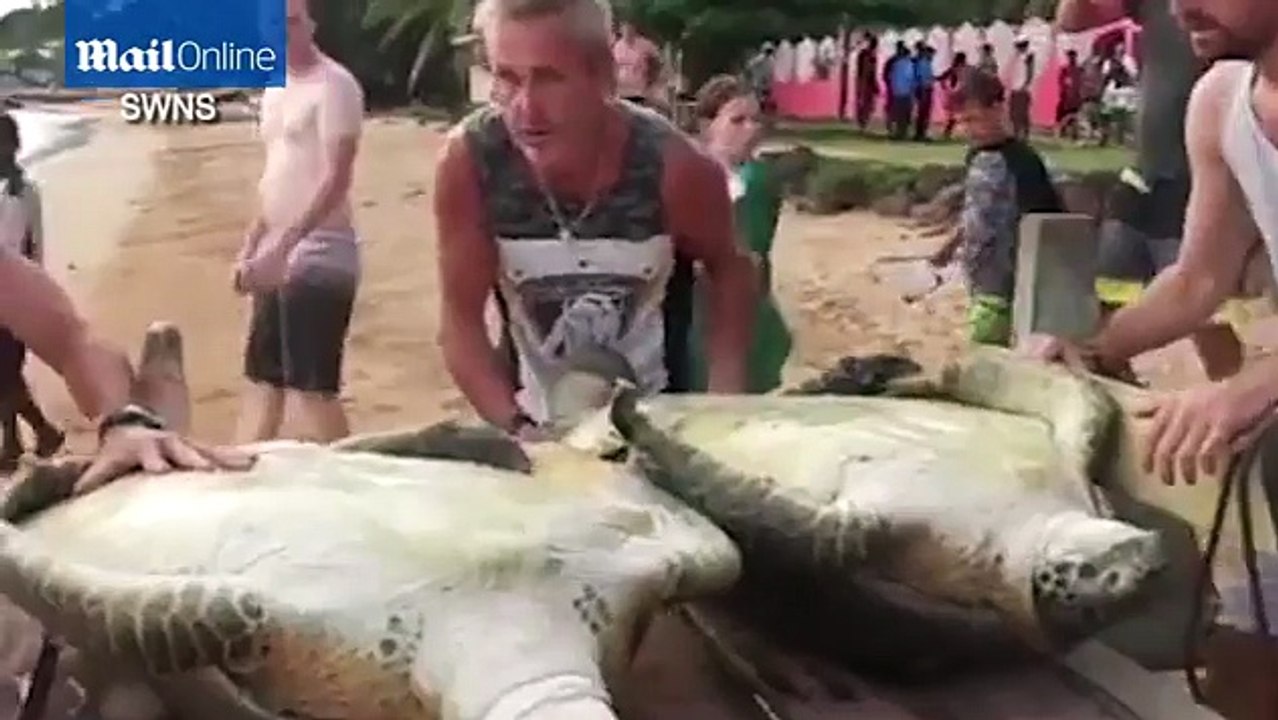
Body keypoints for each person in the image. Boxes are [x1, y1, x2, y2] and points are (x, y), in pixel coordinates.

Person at [436, 0, 757, 436]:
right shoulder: (472, 163)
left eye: (549, 79)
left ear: (603, 76)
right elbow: (460, 320)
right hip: (534, 424)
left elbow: (732, 269)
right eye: (507, 78)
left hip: (656, 423)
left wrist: (724, 399)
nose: (526, 109)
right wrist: (516, 427)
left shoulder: (674, 167)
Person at [1025, 0, 1278, 484]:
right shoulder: (1222, 104)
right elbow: (1197, 281)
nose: (1181, 7)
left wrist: (1254, 387)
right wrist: (1093, 348)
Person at [1056, 0, 1246, 385]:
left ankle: (1232, 390)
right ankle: (1107, 365)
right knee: (1111, 276)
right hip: (1148, 169)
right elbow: (1071, 19)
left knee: (1208, 309)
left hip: (1210, 172)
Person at [232, 0, 365, 444]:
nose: (284, 33)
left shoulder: (334, 86)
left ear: (310, 23)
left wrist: (281, 248)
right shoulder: (274, 89)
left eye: (292, 22)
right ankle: (242, 477)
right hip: (275, 246)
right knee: (262, 378)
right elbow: (274, 176)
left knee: (313, 387)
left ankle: (353, 484)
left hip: (322, 251)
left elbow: (336, 178)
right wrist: (252, 246)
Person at [929, 70, 1063, 347]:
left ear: (998, 108)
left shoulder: (1022, 163)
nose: (968, 129)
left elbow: (1043, 216)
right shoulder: (977, 156)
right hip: (981, 273)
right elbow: (975, 210)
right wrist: (949, 247)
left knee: (991, 339)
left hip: (1011, 279)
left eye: (974, 119)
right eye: (962, 121)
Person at [686, 75, 792, 393]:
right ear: (708, 126)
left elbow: (751, 256)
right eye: (737, 121)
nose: (751, 129)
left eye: (755, 120)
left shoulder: (756, 182)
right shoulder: (687, 176)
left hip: (736, 320)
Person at [0, 112, 63, 473]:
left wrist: (38, 291)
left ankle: (32, 435)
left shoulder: (25, 193)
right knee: (6, 372)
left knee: (5, 372)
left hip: (16, 295)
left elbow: (34, 246)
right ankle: (22, 437)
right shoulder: (16, 192)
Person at [612, 20, 661, 105]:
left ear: (634, 30)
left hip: (639, 90)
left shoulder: (645, 45)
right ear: (621, 31)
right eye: (625, 30)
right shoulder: (617, 46)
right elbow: (613, 65)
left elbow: (657, 63)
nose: (628, 32)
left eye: (630, 29)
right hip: (621, 90)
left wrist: (652, 82)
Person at [1006, 35, 1037, 139]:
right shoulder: (1017, 57)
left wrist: (1025, 85)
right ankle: (1016, 133)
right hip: (1015, 88)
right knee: (1013, 113)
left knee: (1023, 114)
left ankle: (1025, 135)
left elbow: (1030, 73)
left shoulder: (1029, 56)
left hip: (1023, 89)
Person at [884, 41, 916, 140]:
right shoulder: (900, 62)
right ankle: (898, 132)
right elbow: (911, 78)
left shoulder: (894, 62)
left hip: (896, 90)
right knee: (901, 112)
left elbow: (887, 76)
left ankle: (897, 132)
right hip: (902, 91)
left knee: (898, 112)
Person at [937, 51, 969, 139]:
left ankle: (947, 132)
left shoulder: (955, 68)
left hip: (955, 93)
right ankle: (948, 132)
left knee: (954, 115)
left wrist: (944, 86)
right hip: (959, 93)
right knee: (957, 114)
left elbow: (942, 77)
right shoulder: (963, 68)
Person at [1056, 49, 1084, 140]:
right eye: (1069, 56)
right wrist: (1063, 92)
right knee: (1065, 116)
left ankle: (1074, 134)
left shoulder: (1079, 69)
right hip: (1067, 97)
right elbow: (1061, 82)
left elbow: (1081, 82)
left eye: (1072, 56)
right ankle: (1063, 132)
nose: (1071, 58)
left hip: (1075, 97)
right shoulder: (1065, 69)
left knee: (1074, 116)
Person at [854, 33, 879, 131]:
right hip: (865, 81)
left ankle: (863, 123)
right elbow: (868, 70)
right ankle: (862, 123)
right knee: (865, 103)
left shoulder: (866, 54)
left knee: (866, 103)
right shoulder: (868, 55)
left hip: (864, 80)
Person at [912, 43, 937, 141]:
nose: (932, 56)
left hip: (926, 88)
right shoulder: (923, 63)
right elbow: (921, 78)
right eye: (931, 54)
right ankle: (920, 134)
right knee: (923, 112)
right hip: (923, 89)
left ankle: (922, 133)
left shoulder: (927, 63)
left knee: (925, 113)